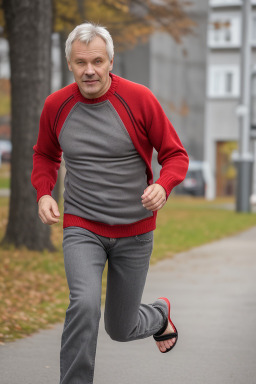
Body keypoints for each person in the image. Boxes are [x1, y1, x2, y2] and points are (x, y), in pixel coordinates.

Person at [31, 22, 189, 384]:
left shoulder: (138, 99)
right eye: (81, 62)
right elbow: (44, 155)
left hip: (134, 231)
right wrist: (43, 192)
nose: (90, 70)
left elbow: (175, 155)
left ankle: (159, 315)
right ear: (70, 63)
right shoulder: (56, 106)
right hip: (82, 225)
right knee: (84, 305)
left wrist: (164, 186)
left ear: (111, 62)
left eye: (98, 61)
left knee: (121, 327)